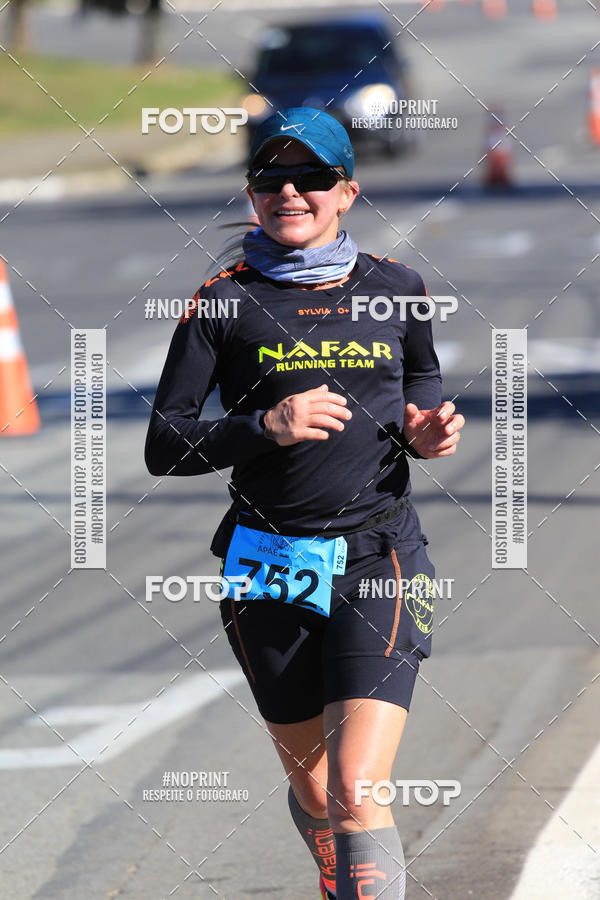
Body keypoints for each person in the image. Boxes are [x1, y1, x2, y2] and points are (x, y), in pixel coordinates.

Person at [145, 108, 465, 900]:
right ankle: (338, 872)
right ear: (253, 196)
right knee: (321, 793)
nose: (291, 192)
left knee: (359, 786)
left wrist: (426, 432)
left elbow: (418, 388)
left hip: (379, 558)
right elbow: (164, 444)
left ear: (346, 192)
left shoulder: (399, 288)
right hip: (268, 568)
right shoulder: (222, 301)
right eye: (270, 179)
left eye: (313, 177)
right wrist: (265, 426)